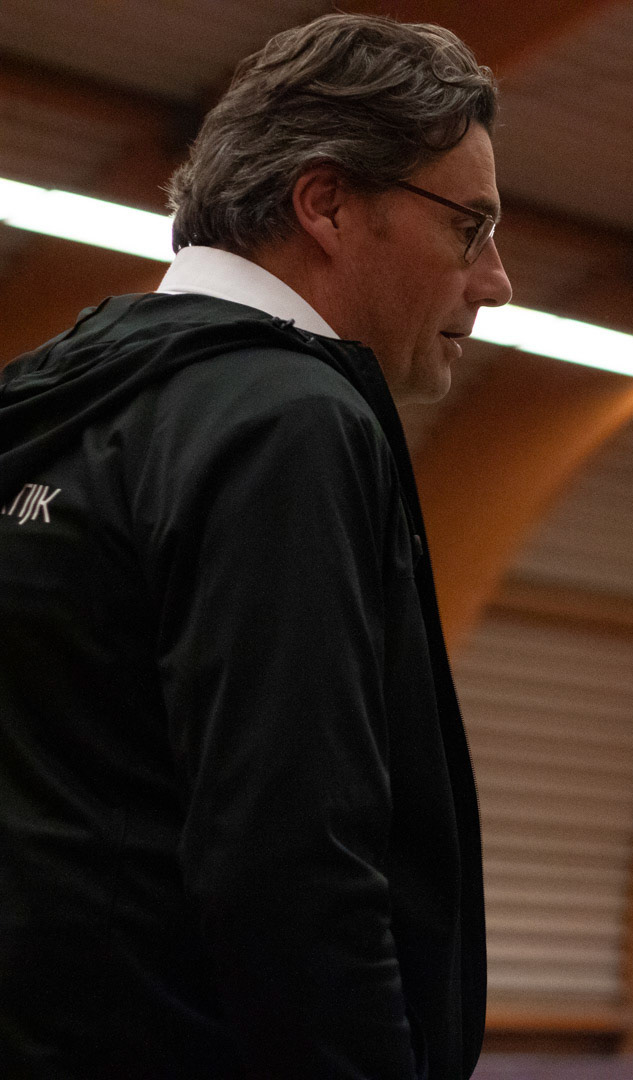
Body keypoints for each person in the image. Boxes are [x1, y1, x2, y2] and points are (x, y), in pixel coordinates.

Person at [0, 13, 512, 1079]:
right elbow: (292, 852)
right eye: (470, 228)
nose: (495, 279)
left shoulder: (47, 399)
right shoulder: (288, 421)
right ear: (326, 204)